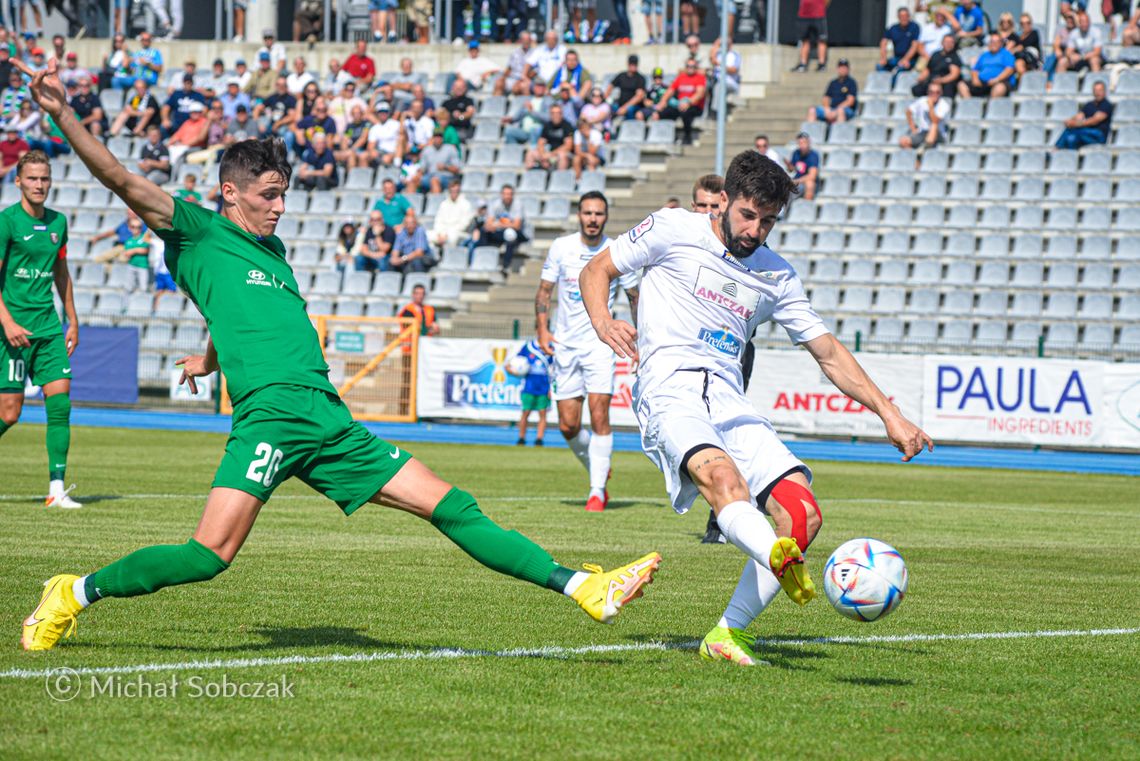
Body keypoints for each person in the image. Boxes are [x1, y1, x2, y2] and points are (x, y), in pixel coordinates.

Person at [16, 55, 662, 653]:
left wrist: (208, 358)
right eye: (267, 193)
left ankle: (581, 585)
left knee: (451, 504)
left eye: (283, 193)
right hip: (269, 416)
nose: (279, 205)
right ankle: (73, 591)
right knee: (209, 554)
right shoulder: (198, 229)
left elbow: (241, 317)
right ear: (229, 191)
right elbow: (120, 176)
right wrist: (63, 113)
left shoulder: (274, 257)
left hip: (327, 419)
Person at [577, 150, 932, 665]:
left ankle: (727, 634)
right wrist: (602, 321)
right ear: (723, 200)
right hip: (669, 388)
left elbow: (828, 353)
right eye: (748, 215)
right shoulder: (674, 228)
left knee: (803, 513)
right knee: (725, 484)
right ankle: (774, 555)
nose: (755, 230)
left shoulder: (777, 276)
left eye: (768, 221)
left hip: (727, 396)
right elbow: (597, 269)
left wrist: (889, 413)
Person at [534, 191, 638, 513]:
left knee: (599, 415)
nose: (593, 219)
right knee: (567, 425)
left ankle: (597, 491)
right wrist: (542, 329)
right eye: (588, 213)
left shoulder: (617, 250)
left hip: (600, 343)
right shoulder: (561, 247)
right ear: (579, 215)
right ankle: (598, 463)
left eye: (598, 214)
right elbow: (544, 292)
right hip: (565, 345)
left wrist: (641, 340)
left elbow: (635, 296)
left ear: (605, 217)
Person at [0, 150, 81, 509]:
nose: (39, 185)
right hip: (12, 331)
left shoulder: (58, 223)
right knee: (9, 413)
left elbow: (61, 273)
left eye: (44, 179)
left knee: (60, 403)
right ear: (18, 181)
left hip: (48, 328)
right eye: (32, 178)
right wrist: (6, 321)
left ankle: (56, 489)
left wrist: (73, 318)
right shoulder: (7, 223)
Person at [508, 337, 553, 446]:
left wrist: (551, 388)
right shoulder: (528, 347)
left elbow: (554, 369)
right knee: (525, 413)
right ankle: (521, 438)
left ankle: (539, 439)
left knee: (542, 413)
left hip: (544, 387)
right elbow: (513, 363)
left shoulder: (551, 348)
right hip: (529, 386)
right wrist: (512, 371)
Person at [652, 58, 706, 145]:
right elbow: (670, 90)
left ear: (696, 67)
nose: (690, 68)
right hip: (680, 104)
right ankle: (670, 136)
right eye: (688, 66)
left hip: (694, 106)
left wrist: (688, 102)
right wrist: (663, 101)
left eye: (692, 66)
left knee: (685, 113)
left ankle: (687, 136)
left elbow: (700, 93)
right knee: (662, 113)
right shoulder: (681, 77)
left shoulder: (700, 78)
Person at [477, 184, 527, 274]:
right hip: (501, 232)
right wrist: (503, 224)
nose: (507, 196)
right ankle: (482, 259)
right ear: (501, 194)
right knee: (483, 231)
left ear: (513, 195)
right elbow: (488, 224)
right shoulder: (495, 204)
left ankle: (505, 266)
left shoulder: (518, 205)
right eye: (505, 194)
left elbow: (517, 225)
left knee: (510, 234)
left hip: (517, 234)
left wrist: (498, 224)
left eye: (510, 194)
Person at [1055, 81, 1113, 149]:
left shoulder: (1106, 105)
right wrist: (1070, 121)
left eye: (1100, 90)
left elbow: (1094, 121)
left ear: (1104, 91)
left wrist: (1075, 124)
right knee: (1072, 138)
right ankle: (1070, 156)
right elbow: (1079, 116)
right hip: (1085, 133)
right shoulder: (1089, 105)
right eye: (1095, 90)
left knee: (1072, 130)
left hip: (1098, 136)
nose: (1097, 93)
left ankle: (1055, 149)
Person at [957, 33, 1016, 99]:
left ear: (1001, 44)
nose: (994, 44)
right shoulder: (984, 55)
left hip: (1000, 82)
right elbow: (975, 69)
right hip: (982, 83)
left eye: (997, 42)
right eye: (992, 41)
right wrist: (975, 79)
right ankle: (971, 106)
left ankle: (992, 108)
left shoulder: (1006, 54)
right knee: (961, 85)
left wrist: (996, 80)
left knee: (999, 88)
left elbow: (1009, 70)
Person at [899, 81, 950, 157]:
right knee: (903, 141)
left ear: (941, 93)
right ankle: (915, 158)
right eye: (931, 92)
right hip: (922, 132)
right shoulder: (922, 101)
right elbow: (908, 111)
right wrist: (913, 128)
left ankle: (925, 148)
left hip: (938, 134)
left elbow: (935, 120)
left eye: (937, 92)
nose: (934, 94)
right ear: (928, 92)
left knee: (934, 125)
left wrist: (931, 107)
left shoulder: (944, 105)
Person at [912, 32, 962, 98]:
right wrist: (921, 77)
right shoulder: (935, 54)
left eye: (951, 42)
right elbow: (928, 69)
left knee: (948, 90)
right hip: (932, 80)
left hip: (945, 82)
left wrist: (941, 80)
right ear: (942, 43)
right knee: (917, 89)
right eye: (946, 42)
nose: (948, 44)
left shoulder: (955, 57)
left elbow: (954, 75)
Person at [807, 58, 857, 123]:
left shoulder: (851, 82)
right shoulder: (833, 83)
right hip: (832, 109)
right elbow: (826, 98)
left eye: (845, 67)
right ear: (838, 69)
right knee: (812, 110)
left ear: (848, 69)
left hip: (846, 110)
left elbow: (850, 101)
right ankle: (811, 132)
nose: (842, 69)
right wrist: (827, 109)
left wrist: (836, 110)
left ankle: (839, 132)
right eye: (841, 67)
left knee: (840, 111)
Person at [524, 103, 573, 170]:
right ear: (550, 114)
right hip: (549, 153)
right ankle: (530, 177)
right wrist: (543, 155)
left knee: (562, 156)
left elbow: (568, 146)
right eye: (553, 113)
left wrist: (551, 154)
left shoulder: (567, 126)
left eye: (558, 113)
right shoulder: (547, 125)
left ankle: (559, 178)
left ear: (561, 114)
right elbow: (541, 142)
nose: (556, 115)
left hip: (561, 154)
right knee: (530, 153)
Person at [502, 78, 549, 144]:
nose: (540, 88)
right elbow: (520, 114)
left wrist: (532, 111)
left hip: (539, 131)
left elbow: (548, 118)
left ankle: (533, 150)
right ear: (533, 87)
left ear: (544, 88)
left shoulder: (548, 101)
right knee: (509, 131)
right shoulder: (528, 99)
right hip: (524, 130)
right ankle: (515, 152)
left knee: (535, 130)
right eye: (538, 86)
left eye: (542, 86)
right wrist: (511, 119)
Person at [430, 180, 473, 251]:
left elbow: (464, 224)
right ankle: (433, 257)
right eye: (452, 191)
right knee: (427, 236)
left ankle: (448, 257)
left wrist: (446, 234)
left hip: (457, 233)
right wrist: (440, 233)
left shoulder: (466, 204)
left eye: (456, 191)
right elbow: (438, 221)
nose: (454, 193)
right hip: (442, 232)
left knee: (452, 237)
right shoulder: (443, 204)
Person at [418, 128, 460, 194]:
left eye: (439, 136)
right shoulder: (427, 150)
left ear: (443, 138)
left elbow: (457, 169)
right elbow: (422, 168)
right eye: (436, 136)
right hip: (429, 176)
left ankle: (435, 203)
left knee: (434, 180)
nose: (437, 139)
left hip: (447, 178)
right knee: (413, 181)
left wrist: (445, 167)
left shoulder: (450, 149)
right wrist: (418, 175)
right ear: (432, 138)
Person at [878, 7, 920, 72]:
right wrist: (883, 58)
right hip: (897, 58)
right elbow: (883, 42)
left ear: (909, 16)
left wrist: (906, 59)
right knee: (880, 67)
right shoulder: (893, 28)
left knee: (899, 70)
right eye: (902, 16)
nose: (904, 18)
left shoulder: (914, 27)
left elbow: (915, 46)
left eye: (906, 16)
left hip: (911, 59)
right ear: (898, 17)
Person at [791, 0, 829, 72]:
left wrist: (820, 7)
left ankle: (821, 64)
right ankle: (803, 64)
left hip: (819, 14)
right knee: (804, 40)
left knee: (822, 40)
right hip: (804, 15)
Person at [605, 55, 645, 121]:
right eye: (631, 63)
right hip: (620, 104)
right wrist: (603, 100)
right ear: (628, 64)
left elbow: (639, 96)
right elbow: (610, 86)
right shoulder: (621, 75)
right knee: (607, 108)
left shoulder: (640, 78)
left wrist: (625, 108)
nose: (633, 66)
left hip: (633, 106)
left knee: (630, 110)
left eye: (635, 64)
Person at [787, 131, 819, 201]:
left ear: (809, 142)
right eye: (800, 143)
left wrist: (796, 181)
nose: (802, 145)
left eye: (804, 142)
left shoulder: (813, 155)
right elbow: (793, 169)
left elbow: (812, 176)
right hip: (797, 181)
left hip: (804, 183)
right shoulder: (796, 153)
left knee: (810, 184)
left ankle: (806, 208)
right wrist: (789, 165)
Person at [122, 215, 150, 293]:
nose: (136, 229)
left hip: (142, 266)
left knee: (143, 288)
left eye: (138, 227)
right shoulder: (129, 240)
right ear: (130, 228)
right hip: (131, 265)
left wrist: (133, 250)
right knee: (128, 288)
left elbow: (145, 250)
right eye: (133, 227)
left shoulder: (144, 238)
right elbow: (127, 253)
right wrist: (137, 249)